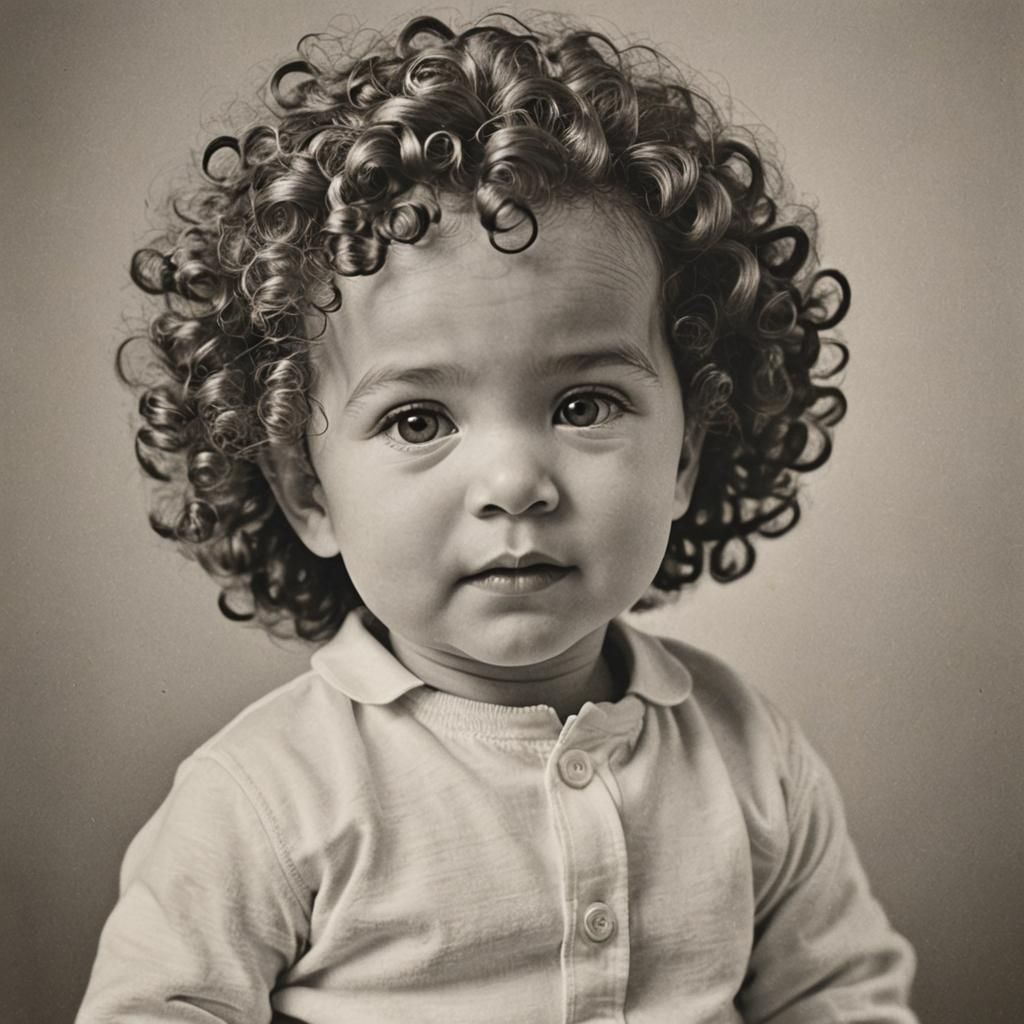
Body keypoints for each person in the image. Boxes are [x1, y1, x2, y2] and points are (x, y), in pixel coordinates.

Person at [77, 12, 917, 1023]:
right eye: (419, 418)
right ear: (309, 493)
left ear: (687, 453)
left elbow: (843, 997)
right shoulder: (264, 797)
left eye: (582, 405)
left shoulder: (750, 759)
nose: (516, 480)